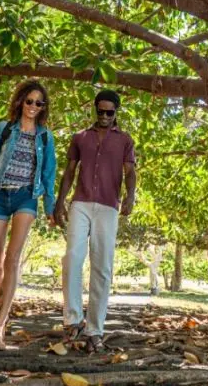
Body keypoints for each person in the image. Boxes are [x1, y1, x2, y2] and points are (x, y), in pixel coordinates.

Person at [0, 80, 58, 350]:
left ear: (43, 107)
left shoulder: (45, 137)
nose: (33, 106)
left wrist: (50, 208)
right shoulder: (3, 129)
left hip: (26, 197)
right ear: (20, 101)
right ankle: (2, 315)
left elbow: (49, 176)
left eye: (39, 103)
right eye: (29, 101)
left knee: (13, 258)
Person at [52, 89, 136, 352]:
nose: (105, 116)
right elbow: (69, 171)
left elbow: (130, 171)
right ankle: (73, 320)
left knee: (102, 267)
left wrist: (130, 197)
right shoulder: (80, 137)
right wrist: (60, 201)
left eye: (110, 112)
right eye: (100, 111)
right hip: (81, 203)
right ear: (95, 110)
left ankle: (95, 329)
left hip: (108, 207)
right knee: (72, 259)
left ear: (116, 112)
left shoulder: (125, 140)